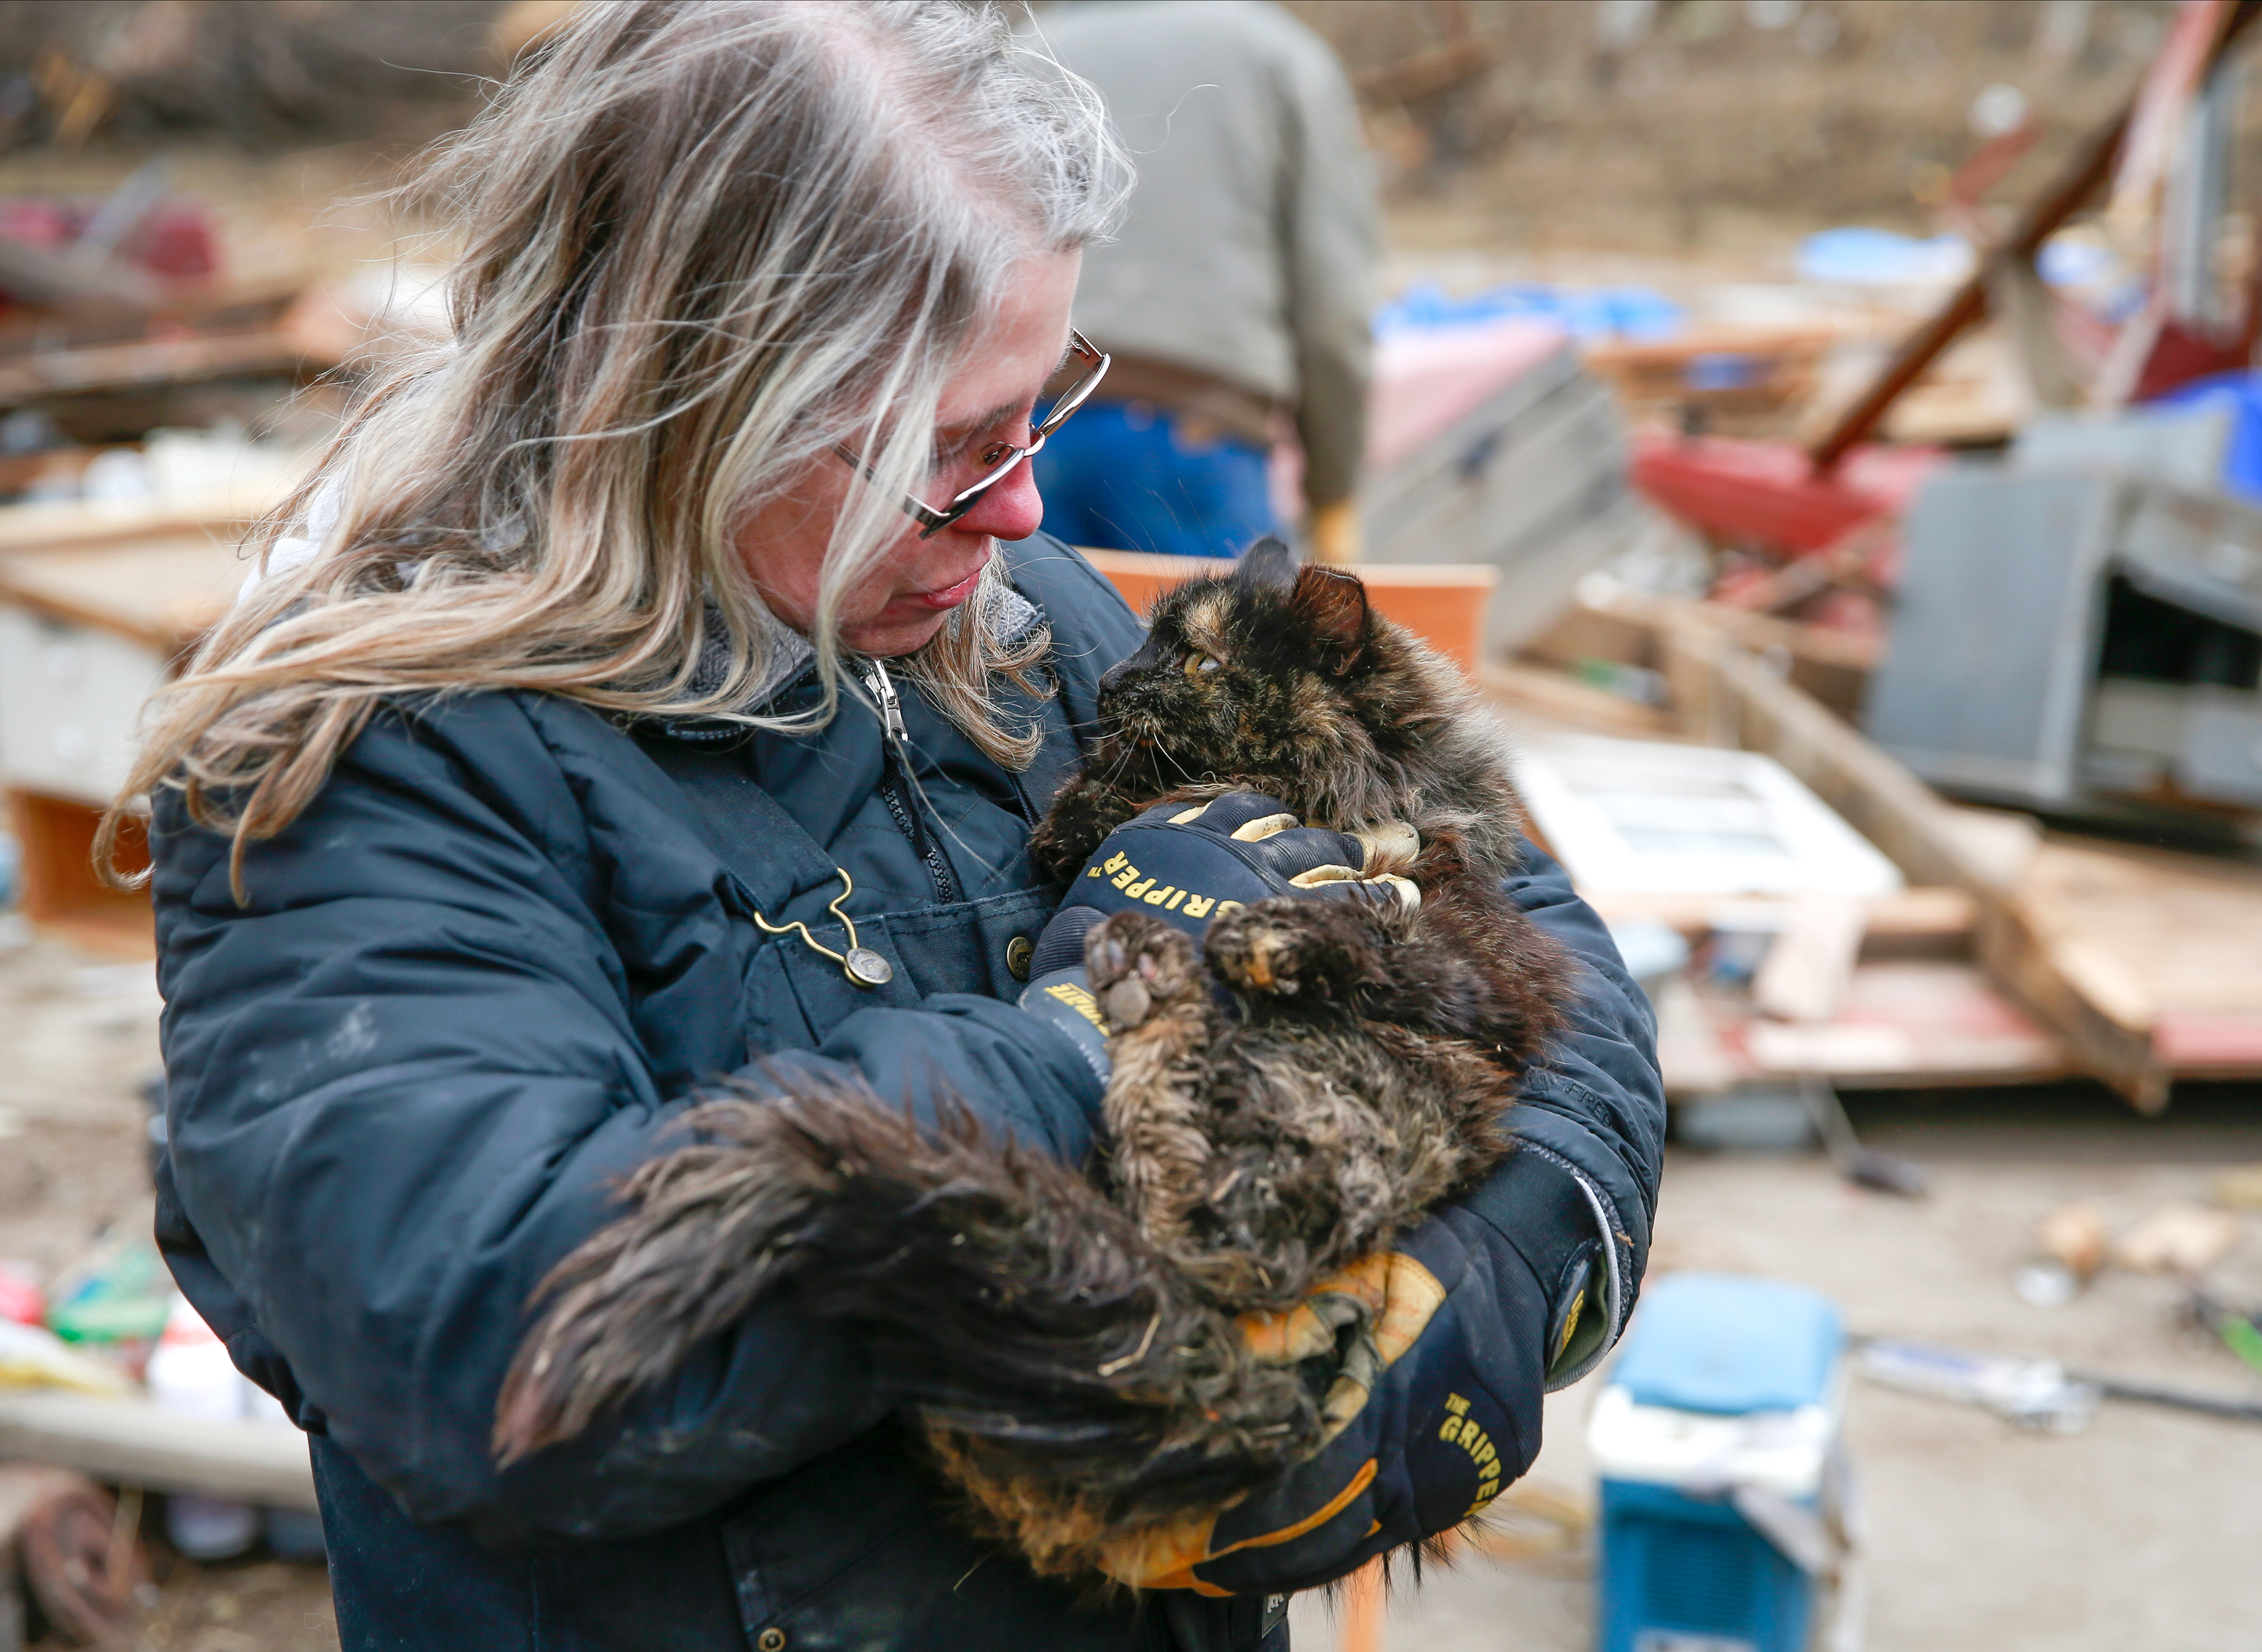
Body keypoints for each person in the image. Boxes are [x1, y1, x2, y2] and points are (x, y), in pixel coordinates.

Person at [117, 6, 1661, 1650]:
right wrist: (1093, 1046)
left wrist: (1519, 1256)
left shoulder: (1024, 626)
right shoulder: (371, 776)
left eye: (1036, 413)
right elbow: (498, 1335)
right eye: (946, 455)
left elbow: (1528, 927)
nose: (1025, 510)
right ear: (693, 400)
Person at [1030, 0, 1378, 563]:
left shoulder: (1029, 49)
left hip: (1025, 432)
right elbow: (1333, 304)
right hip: (1198, 436)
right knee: (1233, 647)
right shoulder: (1280, 56)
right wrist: (1333, 491)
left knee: (1030, 645)